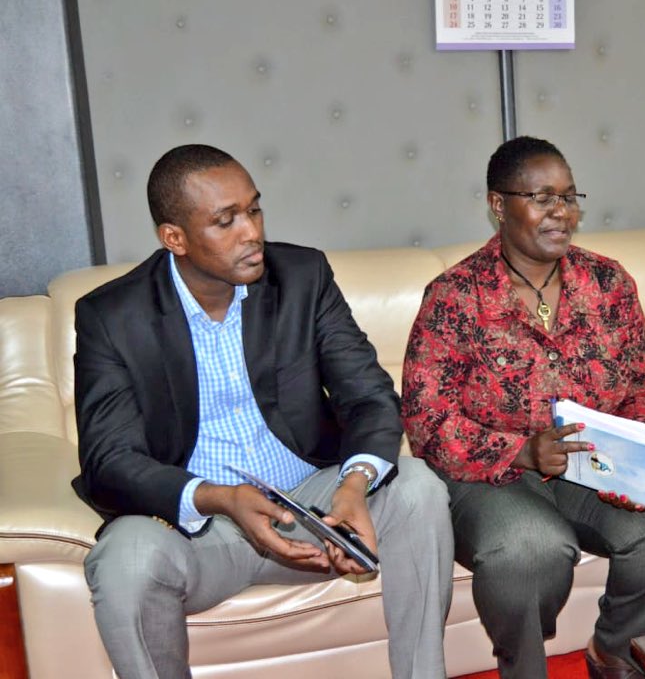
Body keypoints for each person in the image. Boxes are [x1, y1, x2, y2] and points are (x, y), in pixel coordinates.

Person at [72, 144, 453, 679]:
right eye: (225, 221)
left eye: (254, 210)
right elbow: (109, 460)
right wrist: (220, 498)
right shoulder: (112, 315)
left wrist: (352, 488)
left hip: (311, 511)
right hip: (200, 529)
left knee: (416, 487)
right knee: (124, 561)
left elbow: (369, 395)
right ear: (175, 238)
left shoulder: (302, 276)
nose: (251, 232)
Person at [401, 136, 645, 679]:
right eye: (541, 198)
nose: (561, 212)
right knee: (531, 547)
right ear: (499, 205)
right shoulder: (455, 296)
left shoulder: (608, 282)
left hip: (593, 465)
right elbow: (428, 420)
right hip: (492, 478)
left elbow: (642, 381)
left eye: (568, 197)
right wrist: (521, 452)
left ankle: (621, 655)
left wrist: (630, 456)